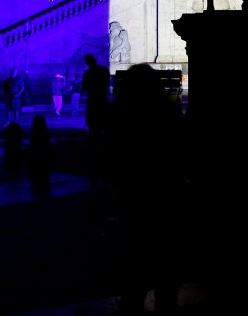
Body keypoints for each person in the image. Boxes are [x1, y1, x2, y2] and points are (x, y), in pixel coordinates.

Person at [105, 63, 185, 313]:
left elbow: (111, 156)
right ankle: (166, 301)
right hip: (165, 194)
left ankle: (132, 301)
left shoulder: (119, 113)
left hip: (133, 194)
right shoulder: (167, 112)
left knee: (134, 255)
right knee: (166, 259)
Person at [82, 53, 111, 173]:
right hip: (102, 101)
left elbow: (84, 88)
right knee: (104, 126)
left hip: (92, 102)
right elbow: (107, 83)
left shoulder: (87, 74)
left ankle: (93, 155)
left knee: (93, 129)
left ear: (87, 62)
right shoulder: (103, 70)